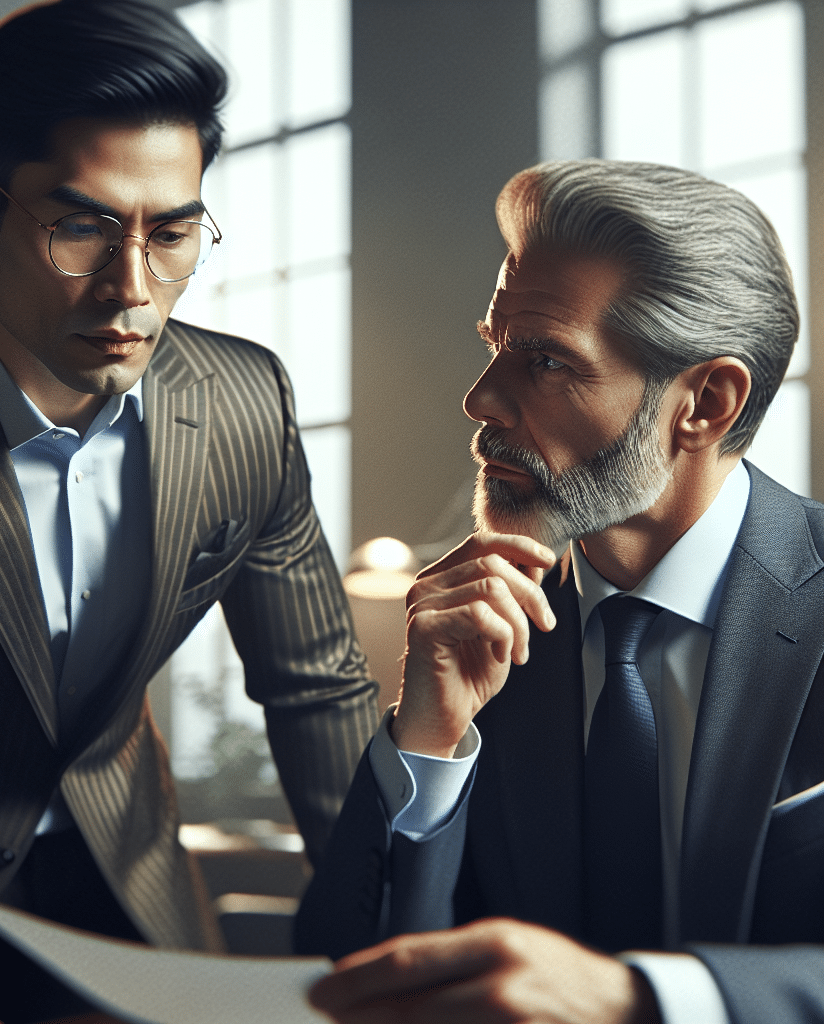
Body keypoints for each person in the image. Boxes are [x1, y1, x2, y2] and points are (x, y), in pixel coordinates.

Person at [0, 2, 377, 1022]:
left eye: (175, 231)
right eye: (81, 226)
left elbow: (318, 693)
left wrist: (393, 950)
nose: (133, 290)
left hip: (128, 903)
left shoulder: (245, 402)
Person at [295, 159, 824, 1024]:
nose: (479, 399)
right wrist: (427, 741)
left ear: (707, 401)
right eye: (494, 347)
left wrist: (640, 1000)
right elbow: (342, 977)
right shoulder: (482, 633)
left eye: (543, 362)